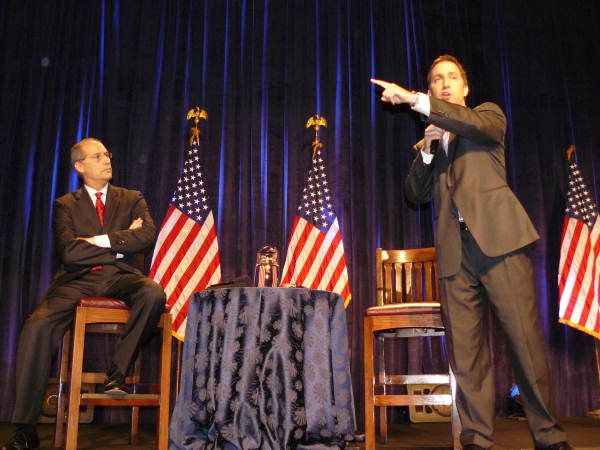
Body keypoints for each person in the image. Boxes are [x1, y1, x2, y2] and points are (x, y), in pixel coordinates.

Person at [370, 55, 571, 450]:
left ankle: (549, 436)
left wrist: (412, 99)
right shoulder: (434, 141)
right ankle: (477, 438)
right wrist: (427, 151)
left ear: (464, 88)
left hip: (500, 244)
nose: (444, 84)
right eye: (435, 80)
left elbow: (476, 125)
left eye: (452, 78)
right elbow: (414, 194)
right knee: (467, 354)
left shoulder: (487, 117)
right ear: (432, 90)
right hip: (454, 256)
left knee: (525, 343)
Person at [2, 138, 166, 450]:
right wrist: (119, 244)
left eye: (107, 154)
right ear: (80, 166)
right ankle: (25, 428)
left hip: (122, 277)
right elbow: (69, 253)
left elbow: (145, 237)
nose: (107, 160)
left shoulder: (132, 198)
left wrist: (95, 242)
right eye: (97, 156)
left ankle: (116, 373)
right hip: (77, 281)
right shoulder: (65, 204)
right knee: (36, 326)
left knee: (154, 294)